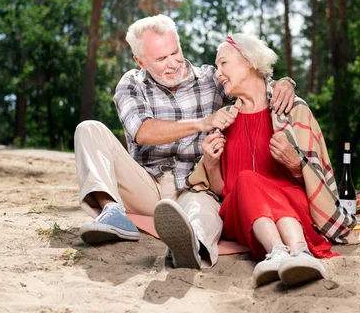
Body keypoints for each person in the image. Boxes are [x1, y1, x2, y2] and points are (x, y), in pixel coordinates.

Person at [74, 15, 295, 269]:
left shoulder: (211, 79)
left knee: (201, 214)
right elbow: (142, 131)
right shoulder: (132, 84)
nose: (172, 64)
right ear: (140, 61)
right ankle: (112, 212)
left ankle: (191, 247)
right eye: (160, 59)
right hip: (146, 185)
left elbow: (251, 85)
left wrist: (284, 83)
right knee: (88, 129)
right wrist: (202, 123)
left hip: (196, 187)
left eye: (175, 52)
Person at [186, 34, 359, 287]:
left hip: (294, 207)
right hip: (241, 214)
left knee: (275, 190)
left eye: (223, 63)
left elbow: (316, 180)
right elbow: (223, 191)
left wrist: (295, 164)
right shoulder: (223, 121)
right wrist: (211, 165)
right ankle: (278, 250)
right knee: (246, 180)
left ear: (250, 62)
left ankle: (299, 253)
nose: (218, 73)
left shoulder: (293, 110)